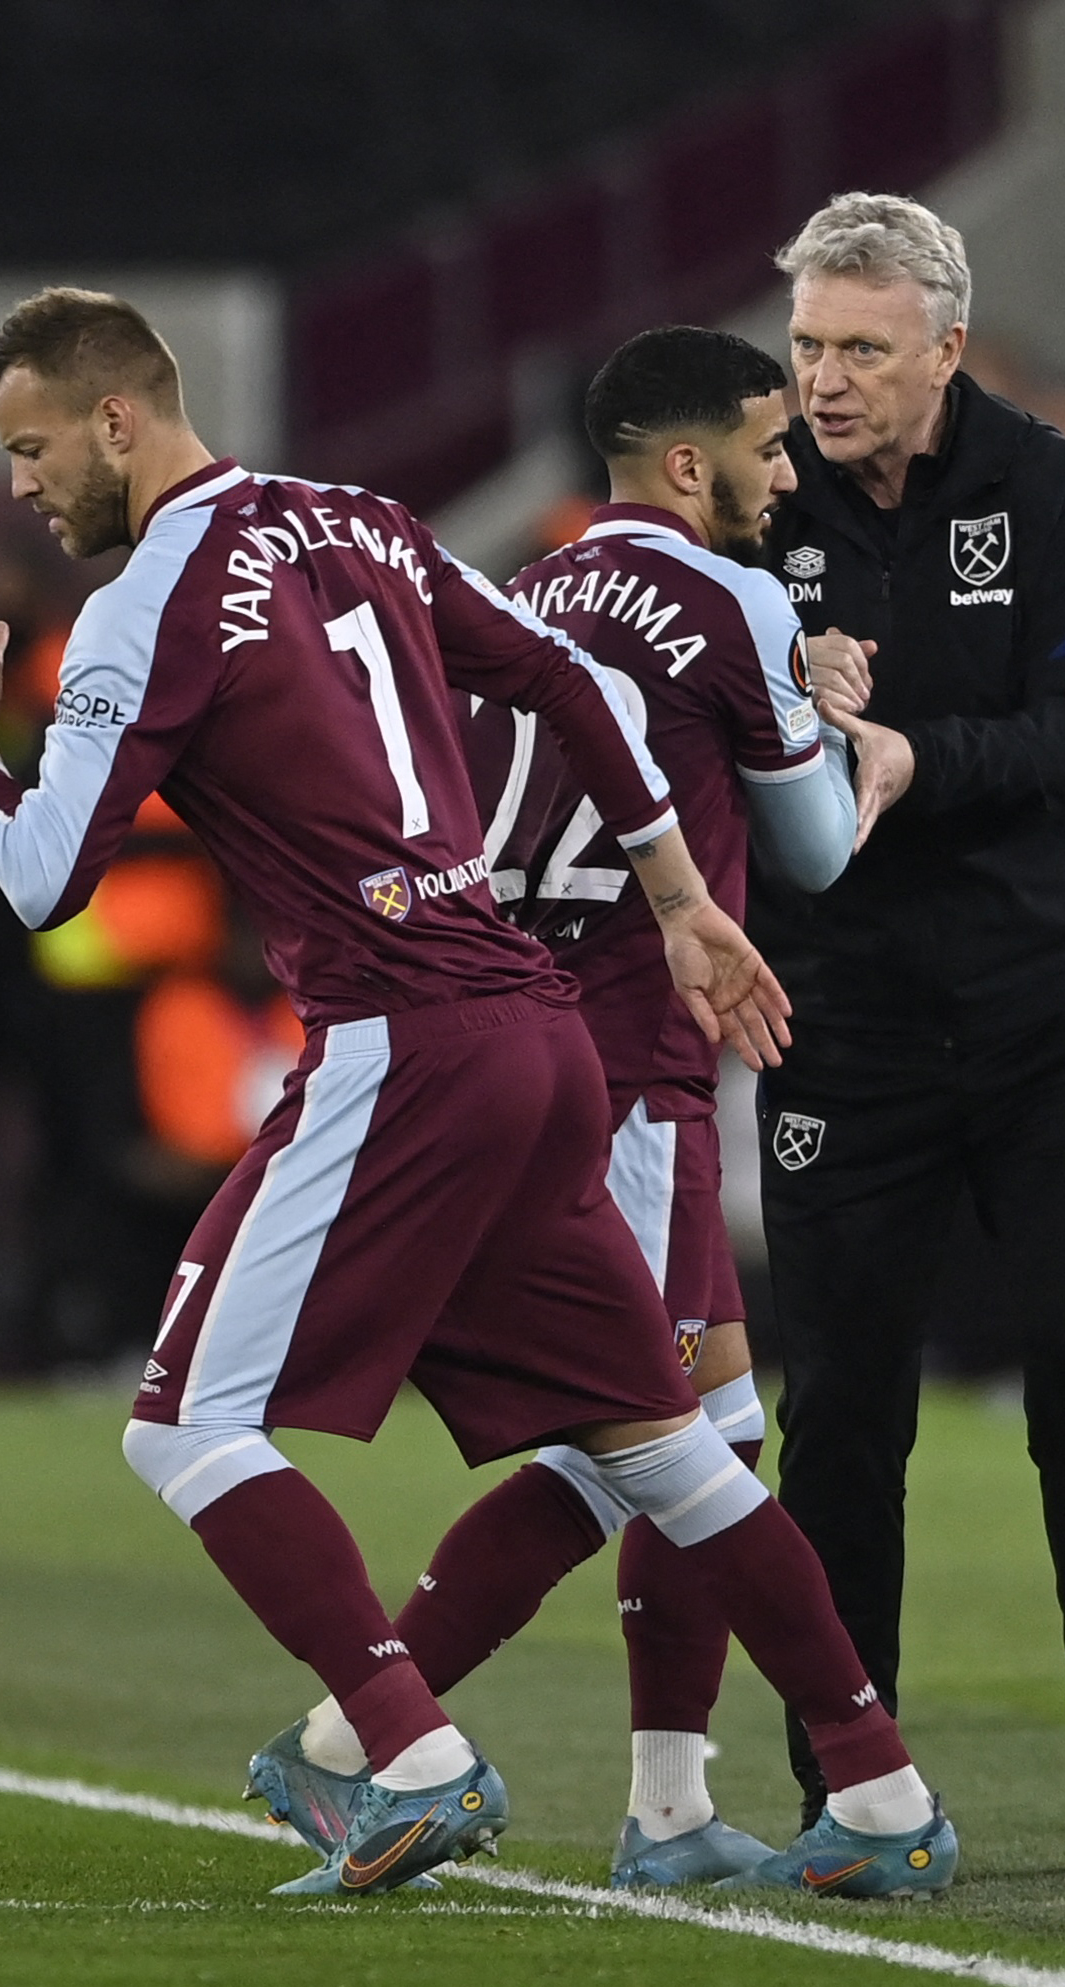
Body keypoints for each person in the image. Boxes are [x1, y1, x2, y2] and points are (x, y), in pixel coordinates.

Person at [0, 285, 955, 1899]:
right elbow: (574, 686)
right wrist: (682, 899)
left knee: (184, 1426)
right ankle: (882, 1793)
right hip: (541, 1032)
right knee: (668, 1448)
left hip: (403, 1037)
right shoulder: (362, 522)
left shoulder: (150, 599)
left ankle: (404, 1752)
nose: (19, 482)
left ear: (116, 418)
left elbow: (52, 878)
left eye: (29, 443)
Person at [241, 324, 867, 1890]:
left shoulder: (523, 593)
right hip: (630, 1062)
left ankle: (668, 1804)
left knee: (706, 1422)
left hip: (530, 1033)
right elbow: (817, 853)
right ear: (683, 461)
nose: (786, 476)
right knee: (641, 1445)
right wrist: (873, 743)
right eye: (765, 446)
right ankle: (352, 1738)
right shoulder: (733, 598)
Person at [750, 191, 1065, 1868]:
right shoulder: (749, 500)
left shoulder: (1049, 487)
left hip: (1047, 991)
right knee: (846, 1406)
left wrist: (904, 756)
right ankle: (844, 1778)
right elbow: (686, 723)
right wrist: (792, 712)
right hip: (842, 1012)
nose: (826, 378)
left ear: (945, 350)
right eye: (805, 345)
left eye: (862, 348)